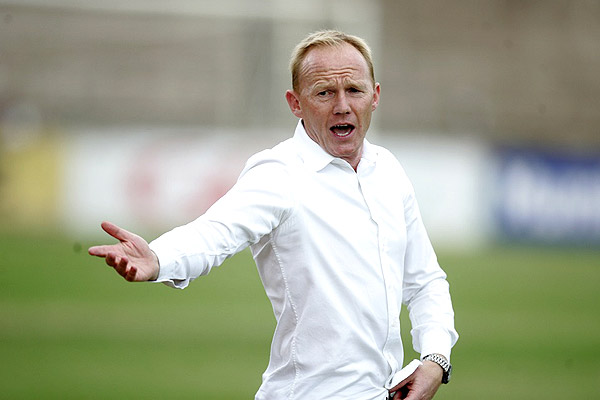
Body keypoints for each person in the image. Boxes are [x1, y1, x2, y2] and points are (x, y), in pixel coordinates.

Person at [89, 30, 458, 400]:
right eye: (324, 93)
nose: (342, 105)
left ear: (374, 96)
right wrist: (158, 258)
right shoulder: (280, 173)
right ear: (295, 103)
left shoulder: (387, 169)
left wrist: (436, 358)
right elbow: (215, 232)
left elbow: (424, 280)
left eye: (354, 90)